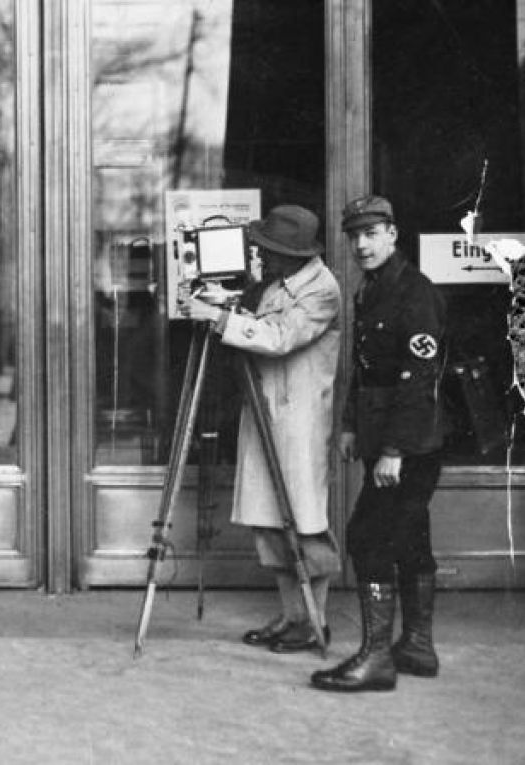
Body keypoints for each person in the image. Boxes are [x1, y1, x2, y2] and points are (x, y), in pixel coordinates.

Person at [181, 205, 342, 654]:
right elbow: (258, 322)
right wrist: (225, 305)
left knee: (304, 523)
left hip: (299, 422)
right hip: (266, 411)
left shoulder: (322, 290)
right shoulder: (276, 282)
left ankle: (315, 620)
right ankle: (292, 615)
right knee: (269, 523)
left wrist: (218, 319)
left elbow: (278, 337)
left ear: (292, 252)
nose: (262, 256)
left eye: (269, 249)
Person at [310, 195, 447, 693]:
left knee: (367, 538)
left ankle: (376, 659)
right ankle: (416, 646)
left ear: (393, 233)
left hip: (410, 448)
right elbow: (365, 371)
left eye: (372, 233)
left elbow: (418, 380)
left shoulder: (416, 294)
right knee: (410, 540)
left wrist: (394, 450)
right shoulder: (371, 290)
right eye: (354, 236)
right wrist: (349, 425)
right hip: (386, 442)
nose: (362, 244)